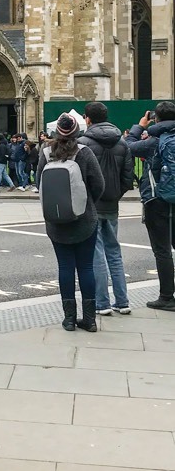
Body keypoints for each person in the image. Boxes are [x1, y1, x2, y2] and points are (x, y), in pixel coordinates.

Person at [36, 113, 104, 332]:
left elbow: (40, 184)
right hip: (84, 219)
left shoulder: (45, 153)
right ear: (77, 132)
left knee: (65, 267)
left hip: (56, 221)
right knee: (85, 267)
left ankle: (68, 319)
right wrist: (87, 202)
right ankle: (90, 319)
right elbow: (99, 185)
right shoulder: (85, 153)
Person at [80, 102, 135, 315]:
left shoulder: (83, 142)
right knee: (114, 252)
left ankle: (102, 303)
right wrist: (115, 195)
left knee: (97, 253)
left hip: (92, 205)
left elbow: (80, 178)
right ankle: (123, 301)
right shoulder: (122, 142)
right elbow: (127, 178)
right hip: (112, 203)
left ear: (88, 119)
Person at [126, 102, 175, 311]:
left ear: (156, 118)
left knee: (162, 250)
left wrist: (139, 126)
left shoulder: (154, 141)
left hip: (157, 200)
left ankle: (166, 297)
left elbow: (128, 146)